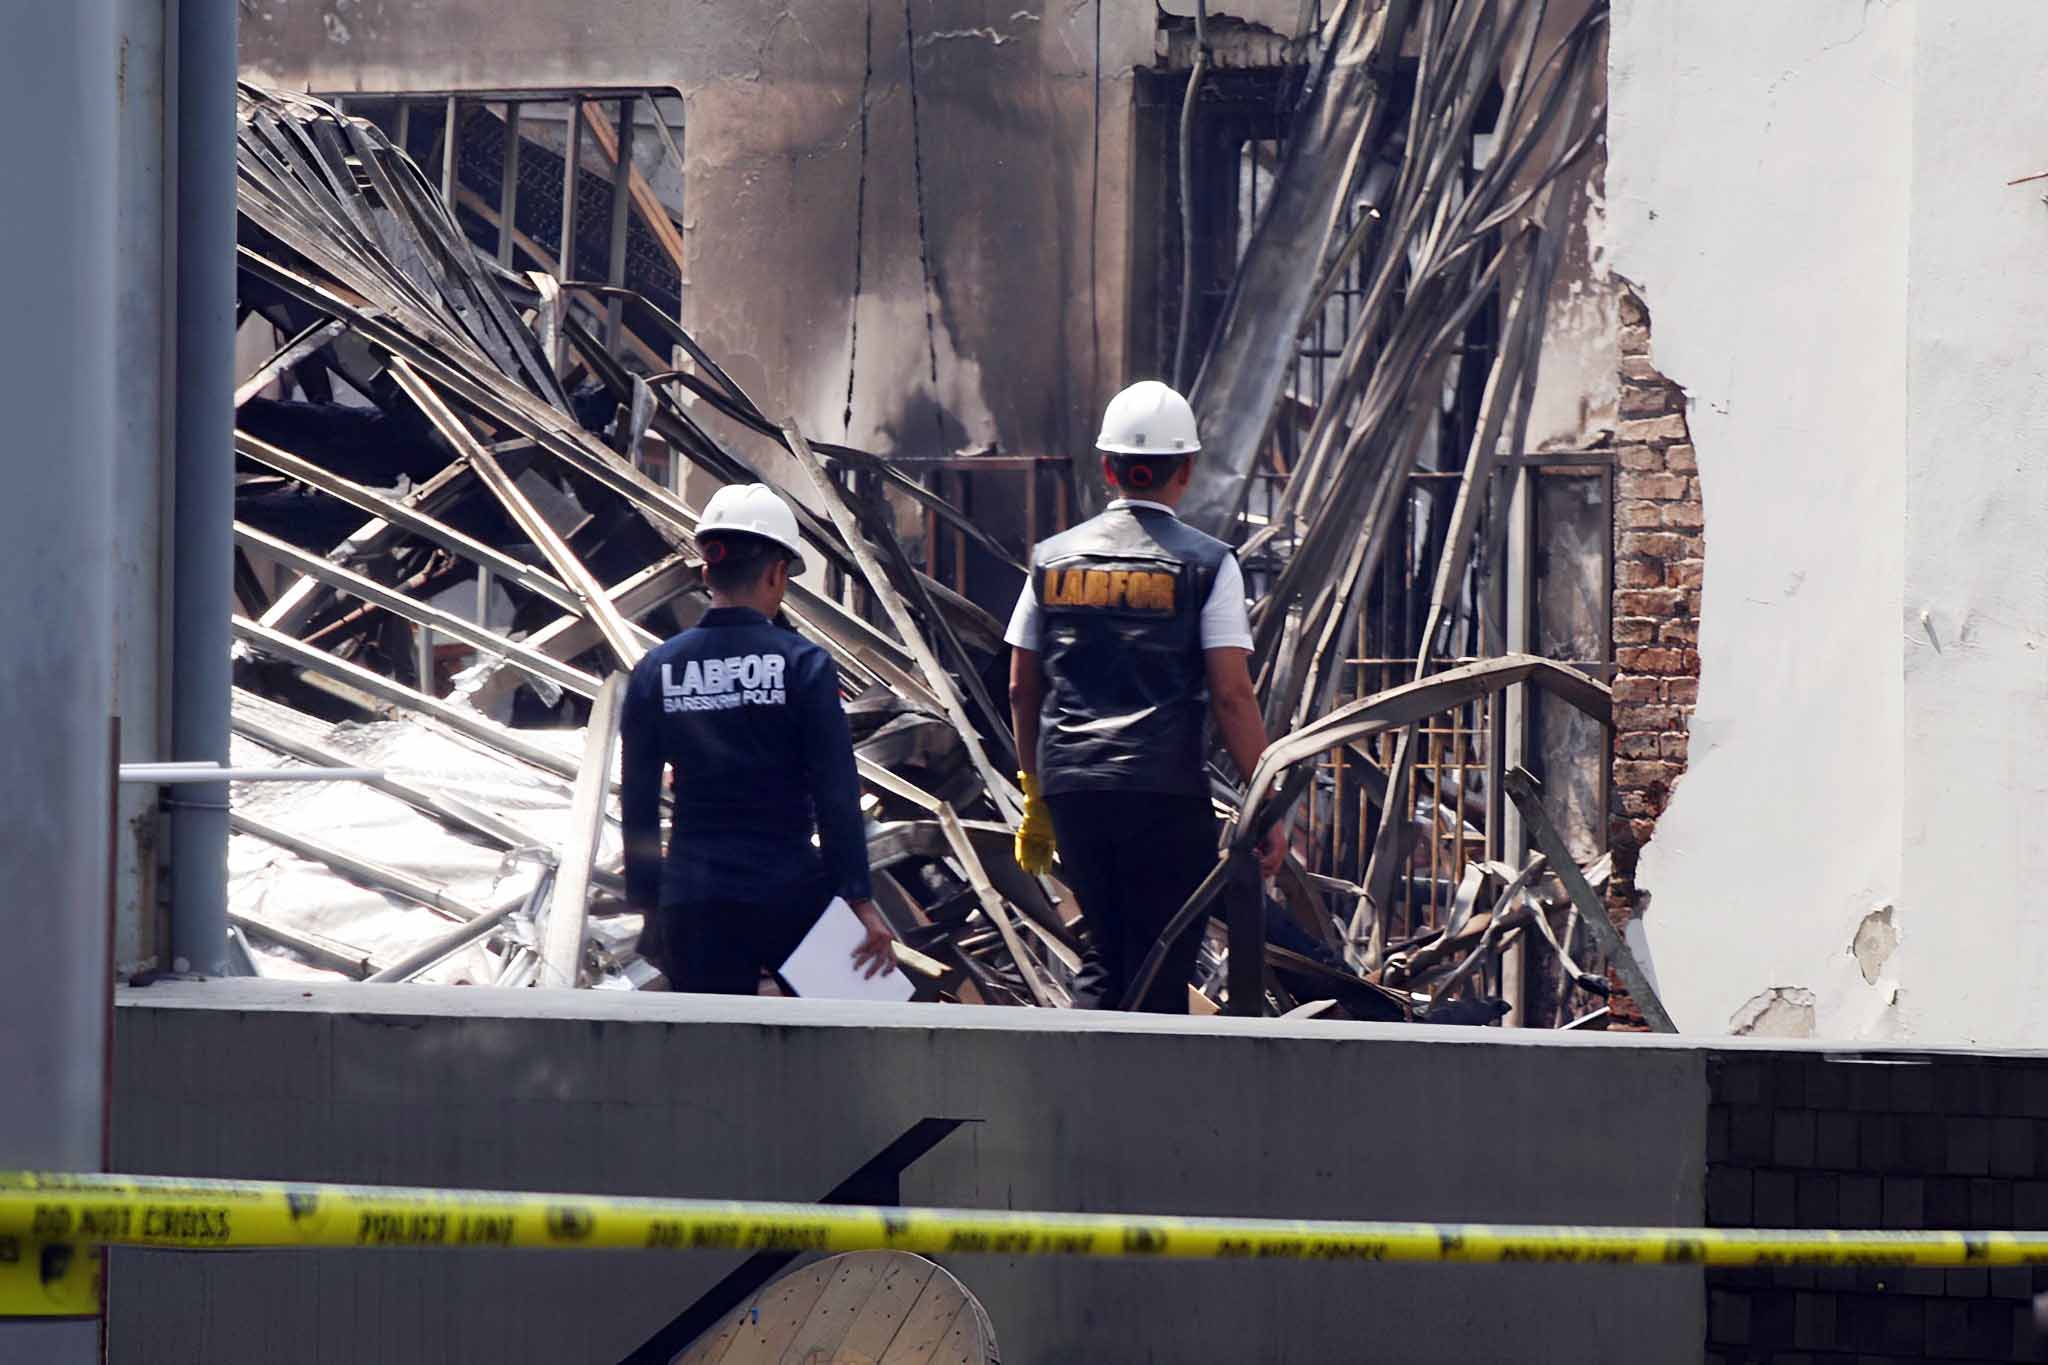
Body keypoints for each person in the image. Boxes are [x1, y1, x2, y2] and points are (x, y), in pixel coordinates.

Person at [1005, 380, 1284, 1014]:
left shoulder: (1049, 562)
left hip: (1075, 792)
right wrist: (1265, 805)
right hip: (1164, 794)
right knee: (1163, 957)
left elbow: (1023, 684)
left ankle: (1080, 1103)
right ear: (1185, 471)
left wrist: (1034, 791)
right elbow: (1233, 696)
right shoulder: (1210, 564)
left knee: (1105, 954)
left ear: (1106, 467)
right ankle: (1143, 1110)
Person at [620, 483, 896, 994]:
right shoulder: (804, 665)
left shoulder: (655, 670)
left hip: (693, 899)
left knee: (712, 1061)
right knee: (851, 1034)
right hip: (790, 894)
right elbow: (836, 792)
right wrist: (858, 898)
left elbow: (636, 800)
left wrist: (648, 905)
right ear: (777, 573)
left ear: (707, 573)